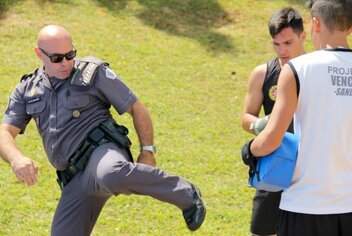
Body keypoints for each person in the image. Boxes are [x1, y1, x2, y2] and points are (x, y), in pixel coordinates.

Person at [0, 24, 206, 235]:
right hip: (75, 176)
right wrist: (16, 158)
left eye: (70, 55)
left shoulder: (92, 72)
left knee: (110, 174)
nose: (65, 63)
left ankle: (186, 194)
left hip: (102, 151)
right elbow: (4, 132)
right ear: (39, 54)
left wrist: (147, 151)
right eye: (57, 58)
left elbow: (137, 108)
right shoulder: (27, 89)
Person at [242, 0, 352, 235]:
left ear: (315, 24)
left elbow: (273, 138)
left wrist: (249, 150)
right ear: (351, 26)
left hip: (305, 204)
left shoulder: (297, 69)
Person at [241, 7, 306, 236]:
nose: (282, 50)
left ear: (303, 36)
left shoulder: (316, 71)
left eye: (288, 43)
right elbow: (246, 117)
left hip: (308, 171)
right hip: (274, 166)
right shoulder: (262, 73)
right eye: (276, 44)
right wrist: (264, 124)